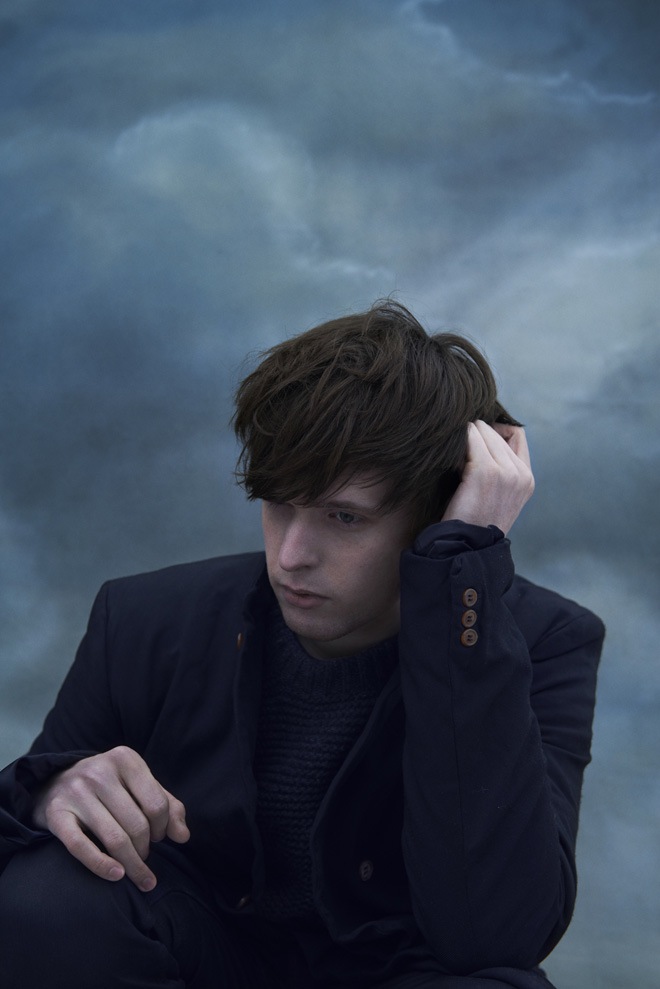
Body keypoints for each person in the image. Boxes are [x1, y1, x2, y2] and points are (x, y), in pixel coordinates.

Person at [0, 301, 604, 989]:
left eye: (343, 517)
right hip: (198, 956)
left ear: (436, 514)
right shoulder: (143, 619)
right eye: (277, 504)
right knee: (46, 895)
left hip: (401, 973)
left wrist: (461, 574)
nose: (290, 556)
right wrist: (48, 794)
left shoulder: (548, 640)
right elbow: (24, 870)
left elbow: (496, 934)